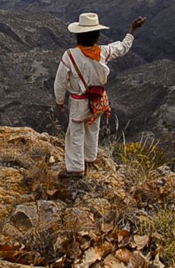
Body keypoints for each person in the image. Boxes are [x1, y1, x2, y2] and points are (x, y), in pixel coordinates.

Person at [54, 12, 146, 178]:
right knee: (92, 128)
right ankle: (90, 158)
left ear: (78, 35)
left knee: (75, 132)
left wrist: (59, 101)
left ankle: (75, 169)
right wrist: (132, 30)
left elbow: (60, 82)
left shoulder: (69, 56)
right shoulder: (103, 52)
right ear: (96, 36)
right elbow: (122, 48)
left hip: (78, 101)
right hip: (97, 101)